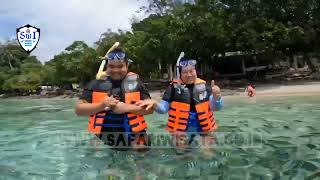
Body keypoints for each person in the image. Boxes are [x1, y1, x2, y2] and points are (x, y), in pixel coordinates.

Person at [136, 56, 223, 152]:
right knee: (182, 153)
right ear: (179, 73)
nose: (189, 75)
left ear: (195, 71)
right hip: (181, 129)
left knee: (208, 152)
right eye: (185, 72)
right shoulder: (173, 89)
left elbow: (216, 107)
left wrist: (217, 97)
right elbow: (163, 109)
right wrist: (154, 103)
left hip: (203, 127)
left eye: (191, 71)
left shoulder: (204, 86)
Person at [75, 47, 153, 150]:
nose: (116, 70)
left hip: (135, 135)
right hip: (106, 137)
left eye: (120, 66)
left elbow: (150, 109)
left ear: (127, 65)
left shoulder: (136, 83)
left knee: (143, 156)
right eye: (111, 66)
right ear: (106, 66)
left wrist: (126, 108)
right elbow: (79, 110)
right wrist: (102, 105)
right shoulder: (95, 84)